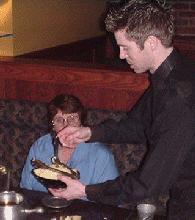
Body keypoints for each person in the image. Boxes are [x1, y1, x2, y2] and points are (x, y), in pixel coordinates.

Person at [48, 0, 195, 219]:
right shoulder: (172, 75)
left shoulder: (180, 95)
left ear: (152, 42)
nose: (121, 55)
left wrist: (86, 191)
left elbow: (148, 183)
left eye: (126, 47)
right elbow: (136, 126)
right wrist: (88, 133)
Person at [20, 94, 119, 198]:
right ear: (53, 126)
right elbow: (25, 190)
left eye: (72, 119)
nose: (66, 126)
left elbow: (112, 201)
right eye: (59, 120)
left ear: (81, 123)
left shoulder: (101, 156)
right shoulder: (40, 146)